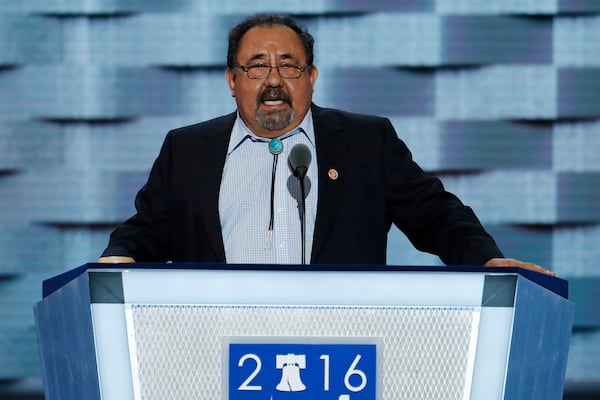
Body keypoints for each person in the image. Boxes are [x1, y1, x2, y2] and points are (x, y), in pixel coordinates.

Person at [98, 13, 552, 275]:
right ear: (232, 81)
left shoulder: (365, 141)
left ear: (311, 78)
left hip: (340, 350)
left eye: (289, 66)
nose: (273, 80)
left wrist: (487, 261)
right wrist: (115, 261)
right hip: (215, 348)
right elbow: (146, 230)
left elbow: (437, 216)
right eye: (257, 66)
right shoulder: (188, 149)